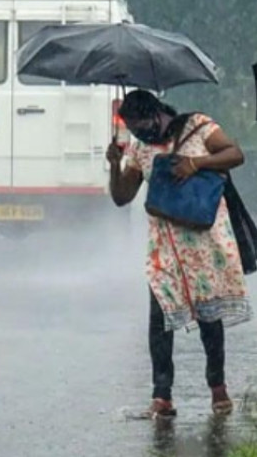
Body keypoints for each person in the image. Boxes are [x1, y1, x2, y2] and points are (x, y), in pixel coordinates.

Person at [106, 89, 253, 419]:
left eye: (143, 125)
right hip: (164, 250)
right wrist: (115, 167)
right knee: (159, 322)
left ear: (158, 114)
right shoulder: (140, 148)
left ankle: (218, 389)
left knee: (209, 319)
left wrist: (196, 163)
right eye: (133, 128)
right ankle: (162, 397)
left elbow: (234, 154)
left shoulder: (199, 127)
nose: (141, 133)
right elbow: (122, 197)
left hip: (204, 244)